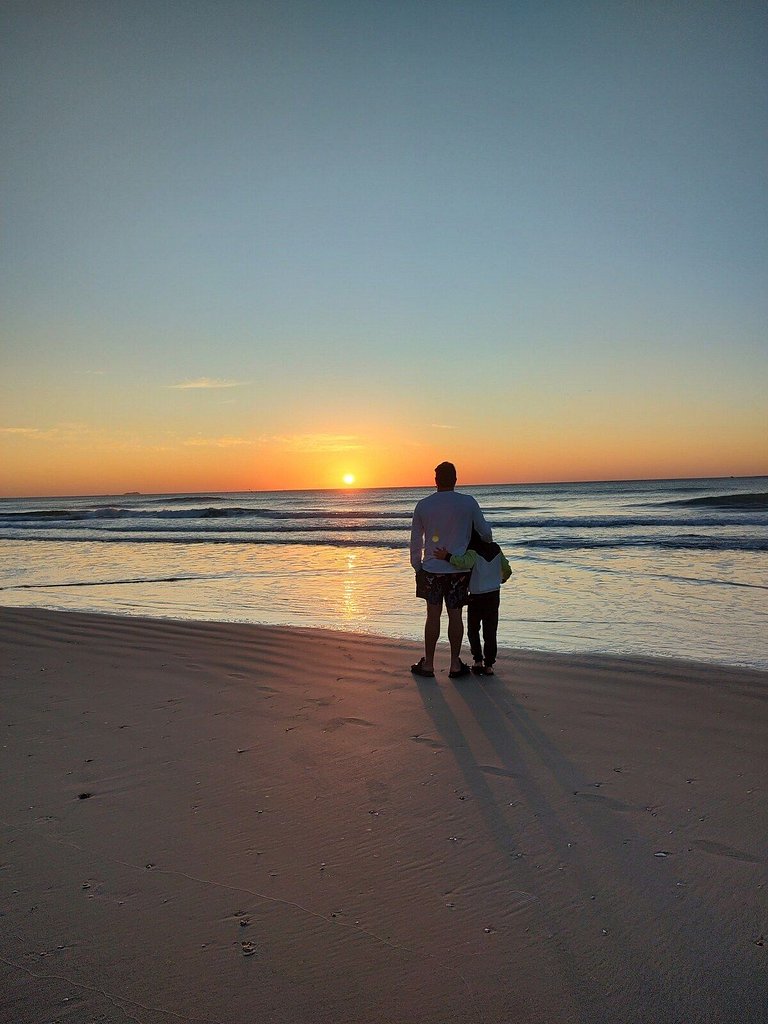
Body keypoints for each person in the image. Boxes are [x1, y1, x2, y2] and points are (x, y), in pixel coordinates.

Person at [409, 462, 493, 678]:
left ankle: (429, 664)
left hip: (431, 569)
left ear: (436, 480)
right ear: (455, 479)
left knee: (432, 616)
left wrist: (417, 566)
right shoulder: (468, 502)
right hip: (457, 569)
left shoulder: (423, 505)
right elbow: (486, 533)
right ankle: (455, 664)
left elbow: (416, 541)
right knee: (456, 616)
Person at [434, 528, 511, 676]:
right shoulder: (496, 548)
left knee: (473, 629)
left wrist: (447, 556)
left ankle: (477, 660)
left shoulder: (473, 551)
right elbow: (507, 568)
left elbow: (463, 563)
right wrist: (502, 579)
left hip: (476, 595)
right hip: (494, 594)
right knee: (490, 630)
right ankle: (489, 665)